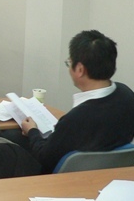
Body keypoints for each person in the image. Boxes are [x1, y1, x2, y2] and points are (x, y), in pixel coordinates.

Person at [17, 30, 134, 173]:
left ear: (79, 69)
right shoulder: (127, 95)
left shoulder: (75, 119)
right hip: (111, 175)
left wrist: (32, 131)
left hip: (63, 179)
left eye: (69, 62)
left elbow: (44, 158)